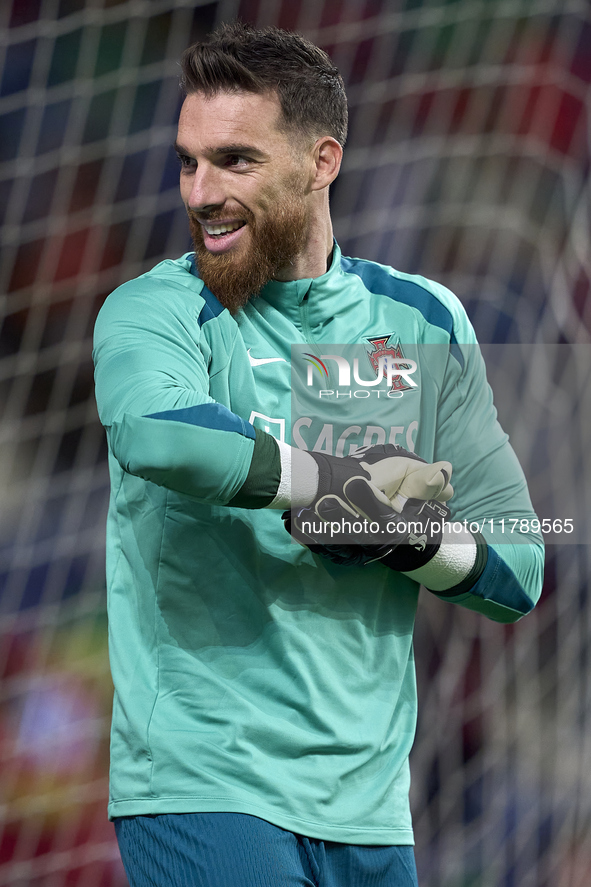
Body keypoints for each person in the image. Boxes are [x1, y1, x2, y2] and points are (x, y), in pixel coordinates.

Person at [93, 22, 544, 887]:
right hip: (204, 780)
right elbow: (159, 434)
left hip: (370, 806)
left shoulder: (424, 319)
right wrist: (328, 483)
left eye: (235, 161)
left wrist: (407, 537)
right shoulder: (155, 309)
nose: (202, 192)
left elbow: (517, 564)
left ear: (322, 160)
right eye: (188, 162)